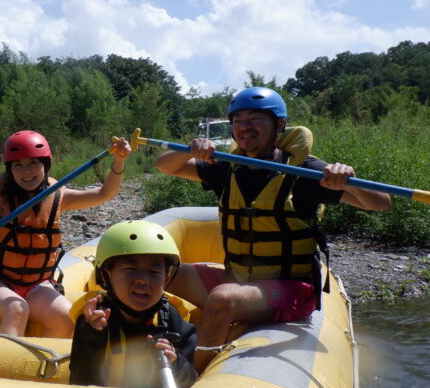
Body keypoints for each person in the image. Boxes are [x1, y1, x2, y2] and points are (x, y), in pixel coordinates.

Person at [154, 86, 391, 372]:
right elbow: (165, 166)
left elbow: (380, 202)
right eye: (238, 120)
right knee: (158, 272)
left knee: (223, 297)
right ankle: (159, 335)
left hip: (290, 290)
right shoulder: (227, 166)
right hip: (238, 278)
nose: (245, 126)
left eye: (256, 118)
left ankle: (193, 377)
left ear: (279, 125)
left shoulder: (304, 171)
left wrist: (348, 179)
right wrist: (192, 148)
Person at [0, 130, 132, 338]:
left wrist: (119, 161)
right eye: (18, 165)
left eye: (34, 163)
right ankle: (3, 369)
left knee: (66, 316)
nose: (27, 171)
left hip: (36, 283)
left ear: (45, 164)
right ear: (10, 170)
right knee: (16, 308)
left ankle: (45, 367)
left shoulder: (58, 197)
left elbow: (105, 193)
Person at [69, 220, 197, 388]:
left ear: (165, 279)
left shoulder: (171, 319)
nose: (143, 280)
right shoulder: (93, 320)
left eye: (154, 272)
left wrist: (176, 363)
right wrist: (92, 336)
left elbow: (190, 381)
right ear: (107, 275)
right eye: (130, 269)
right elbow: (80, 379)